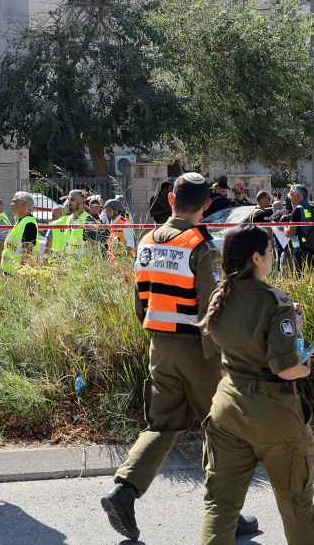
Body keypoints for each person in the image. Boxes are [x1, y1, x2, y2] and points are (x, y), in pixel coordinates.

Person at [101, 173, 257, 541]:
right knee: (222, 429)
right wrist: (220, 358)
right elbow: (211, 307)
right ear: (206, 205)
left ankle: (123, 491)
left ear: (171, 200)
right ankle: (226, 518)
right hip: (196, 350)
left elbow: (141, 299)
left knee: (162, 425)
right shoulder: (201, 246)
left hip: (160, 345)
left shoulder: (147, 240)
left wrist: (154, 331)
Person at [196, 224, 314, 545]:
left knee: (220, 508)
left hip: (227, 410)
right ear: (256, 257)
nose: (272, 257)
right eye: (269, 251)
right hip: (275, 415)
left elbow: (215, 355)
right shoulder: (275, 303)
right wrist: (306, 364)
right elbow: (287, 368)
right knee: (297, 507)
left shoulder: (219, 298)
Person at [282, 185, 314, 272]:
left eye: (291, 194)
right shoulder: (313, 208)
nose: (290, 197)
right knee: (312, 276)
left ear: (298, 196)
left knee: (301, 278)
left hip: (301, 250)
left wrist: (283, 226)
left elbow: (289, 233)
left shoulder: (298, 210)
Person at [0, 192, 39, 272]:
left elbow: (27, 252)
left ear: (24, 204)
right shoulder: (20, 221)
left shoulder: (29, 223)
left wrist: (24, 273)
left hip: (17, 274)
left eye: (14, 201)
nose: (11, 204)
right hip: (10, 272)